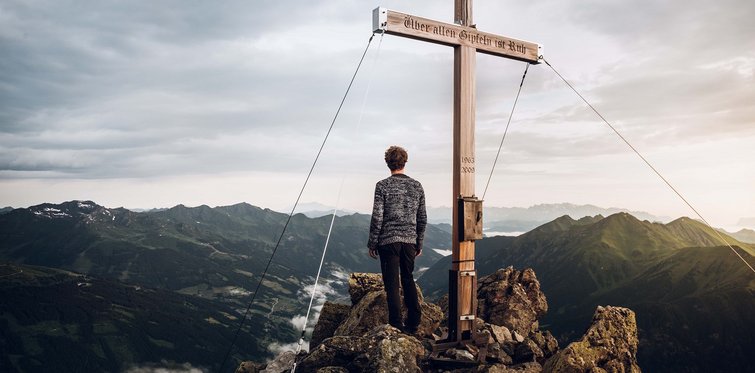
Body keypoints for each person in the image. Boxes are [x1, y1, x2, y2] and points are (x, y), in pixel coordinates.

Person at [367, 145, 427, 334]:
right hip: (409, 240)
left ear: (388, 163)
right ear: (404, 162)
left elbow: (378, 217)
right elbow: (422, 217)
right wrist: (419, 242)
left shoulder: (382, 186)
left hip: (388, 241)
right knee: (408, 278)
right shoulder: (416, 186)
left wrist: (372, 243)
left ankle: (396, 325)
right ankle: (414, 322)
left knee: (392, 283)